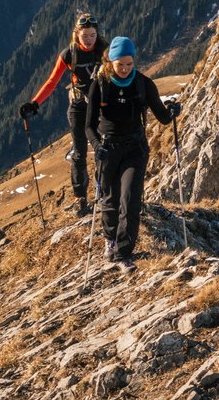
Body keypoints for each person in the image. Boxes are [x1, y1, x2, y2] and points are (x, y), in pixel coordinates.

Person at [87, 36, 180, 272]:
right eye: (120, 64)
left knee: (130, 199)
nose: (125, 69)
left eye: (129, 63)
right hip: (108, 149)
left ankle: (123, 254)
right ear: (110, 62)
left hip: (135, 149)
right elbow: (88, 125)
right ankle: (110, 239)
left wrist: (173, 111)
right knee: (110, 200)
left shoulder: (143, 84)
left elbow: (163, 117)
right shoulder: (100, 83)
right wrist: (98, 147)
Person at [19, 13, 108, 216]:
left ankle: (102, 191)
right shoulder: (69, 54)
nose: (89, 40)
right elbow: (52, 81)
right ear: (76, 35)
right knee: (79, 153)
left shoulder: (106, 51)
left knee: (104, 147)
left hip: (101, 105)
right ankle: (80, 198)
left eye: (93, 35)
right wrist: (35, 103)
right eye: (85, 36)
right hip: (78, 106)